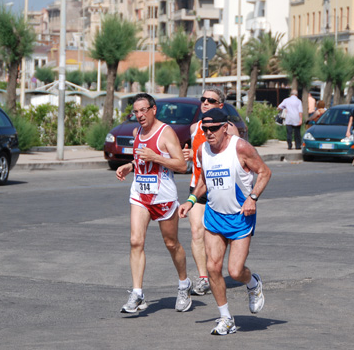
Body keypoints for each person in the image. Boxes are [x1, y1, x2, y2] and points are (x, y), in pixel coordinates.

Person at [179, 108, 272, 336]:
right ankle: (226, 318)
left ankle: (252, 283)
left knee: (236, 270)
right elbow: (204, 181)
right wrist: (191, 200)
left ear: (224, 128)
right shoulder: (202, 151)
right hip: (214, 216)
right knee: (213, 267)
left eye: (213, 129)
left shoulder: (239, 147)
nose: (209, 133)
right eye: (205, 129)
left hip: (241, 217)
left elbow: (265, 172)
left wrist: (253, 198)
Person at [116, 93, 192, 314]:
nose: (139, 115)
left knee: (171, 244)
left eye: (143, 110)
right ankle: (137, 293)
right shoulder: (136, 132)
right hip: (140, 193)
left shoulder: (165, 132)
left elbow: (180, 165)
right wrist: (130, 165)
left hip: (163, 196)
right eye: (136, 111)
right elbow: (141, 157)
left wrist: (156, 157)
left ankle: (183, 284)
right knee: (135, 241)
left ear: (153, 109)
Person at [181, 87, 239, 296]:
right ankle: (204, 277)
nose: (205, 103)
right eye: (203, 99)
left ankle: (226, 269)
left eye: (211, 100)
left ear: (220, 106)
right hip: (199, 185)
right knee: (197, 231)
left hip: (223, 189)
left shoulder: (230, 130)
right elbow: (197, 157)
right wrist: (189, 156)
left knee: (223, 234)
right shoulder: (195, 127)